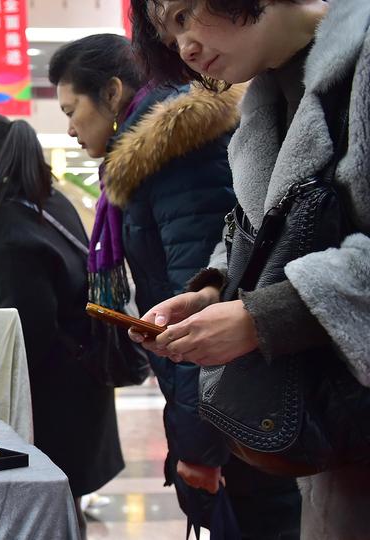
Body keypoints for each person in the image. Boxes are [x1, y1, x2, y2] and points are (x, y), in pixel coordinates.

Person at [129, 0, 370, 537]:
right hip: (333, 433)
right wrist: (214, 290)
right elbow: (255, 230)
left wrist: (266, 316)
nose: (187, 47)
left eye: (187, 13)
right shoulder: (262, 106)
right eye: (171, 39)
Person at [49, 34, 302, 537]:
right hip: (236, 407)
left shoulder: (175, 159)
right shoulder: (151, 162)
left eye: (72, 109)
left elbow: (202, 314)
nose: (71, 128)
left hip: (241, 411)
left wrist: (198, 449)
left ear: (114, 92)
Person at [0, 114, 123, 538]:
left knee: (47, 512)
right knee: (64, 503)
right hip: (83, 375)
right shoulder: (48, 199)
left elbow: (28, 324)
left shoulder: (9, 214)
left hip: (52, 392)